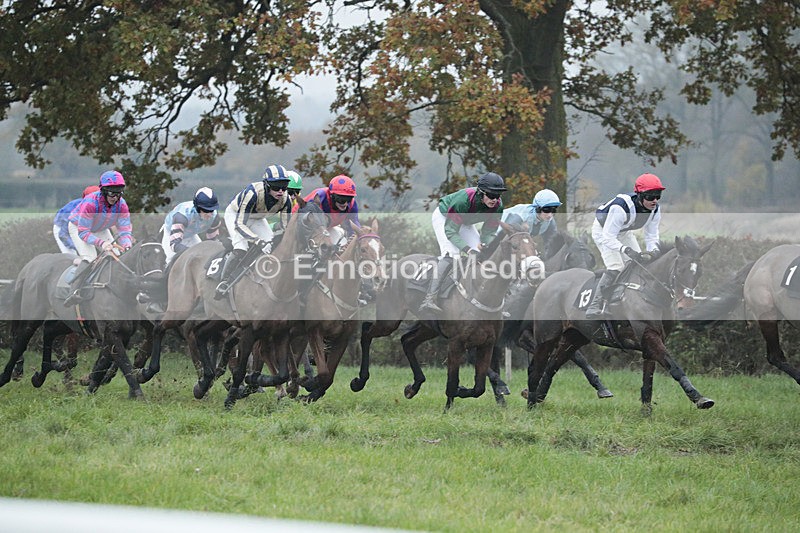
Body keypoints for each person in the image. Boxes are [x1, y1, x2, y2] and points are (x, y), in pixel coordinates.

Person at [419, 172, 506, 314]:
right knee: (452, 255)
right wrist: (467, 249)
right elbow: (451, 231)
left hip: (465, 222)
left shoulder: (498, 206)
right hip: (444, 217)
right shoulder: (463, 201)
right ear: (481, 192)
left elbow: (489, 232)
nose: (495, 200)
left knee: (482, 256)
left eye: (498, 196)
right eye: (491, 195)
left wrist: (485, 245)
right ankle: (429, 298)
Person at [584, 173, 665, 319]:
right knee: (616, 267)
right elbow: (608, 237)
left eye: (658, 196)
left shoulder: (655, 210)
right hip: (604, 232)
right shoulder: (620, 208)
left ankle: (630, 299)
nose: (654, 200)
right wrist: (626, 249)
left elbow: (652, 236)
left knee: (639, 265)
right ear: (639, 195)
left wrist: (653, 252)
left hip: (624, 232)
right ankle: (595, 305)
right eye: (650, 196)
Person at [215, 164, 293, 298]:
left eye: (284, 186)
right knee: (241, 248)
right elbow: (239, 224)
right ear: (267, 185)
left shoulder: (286, 200)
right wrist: (257, 240)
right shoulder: (252, 193)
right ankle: (224, 282)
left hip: (258, 218)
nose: (280, 191)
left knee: (270, 247)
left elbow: (287, 228)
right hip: (236, 216)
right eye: (276, 186)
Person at [64, 170, 133, 305]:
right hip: (79, 228)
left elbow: (124, 230)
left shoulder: (122, 205)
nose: (115, 197)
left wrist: (127, 245)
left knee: (118, 256)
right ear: (103, 190)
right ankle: (74, 291)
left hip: (100, 228)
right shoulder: (90, 203)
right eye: (112, 193)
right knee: (90, 258)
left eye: (119, 193)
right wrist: (101, 243)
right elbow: (83, 232)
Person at [294, 174, 361, 247]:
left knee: (340, 241)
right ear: (331, 195)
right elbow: (307, 223)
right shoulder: (320, 196)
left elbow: (354, 227)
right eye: (341, 199)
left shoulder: (352, 204)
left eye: (348, 199)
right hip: (299, 223)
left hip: (324, 229)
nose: (345, 203)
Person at [161, 187, 221, 266]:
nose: (210, 214)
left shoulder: (215, 218)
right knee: (171, 262)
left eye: (212, 210)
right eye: (206, 210)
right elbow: (174, 245)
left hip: (190, 235)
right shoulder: (182, 216)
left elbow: (212, 242)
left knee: (202, 259)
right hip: (171, 234)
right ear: (197, 208)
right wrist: (192, 252)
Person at [500, 188, 561, 259]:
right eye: (546, 210)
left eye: (553, 210)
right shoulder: (520, 218)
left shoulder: (550, 222)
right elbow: (504, 242)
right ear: (537, 208)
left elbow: (551, 245)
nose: (550, 215)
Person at [53, 185, 101, 255]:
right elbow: (63, 235)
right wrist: (78, 248)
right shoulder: (73, 212)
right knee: (73, 255)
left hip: (80, 228)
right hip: (62, 229)